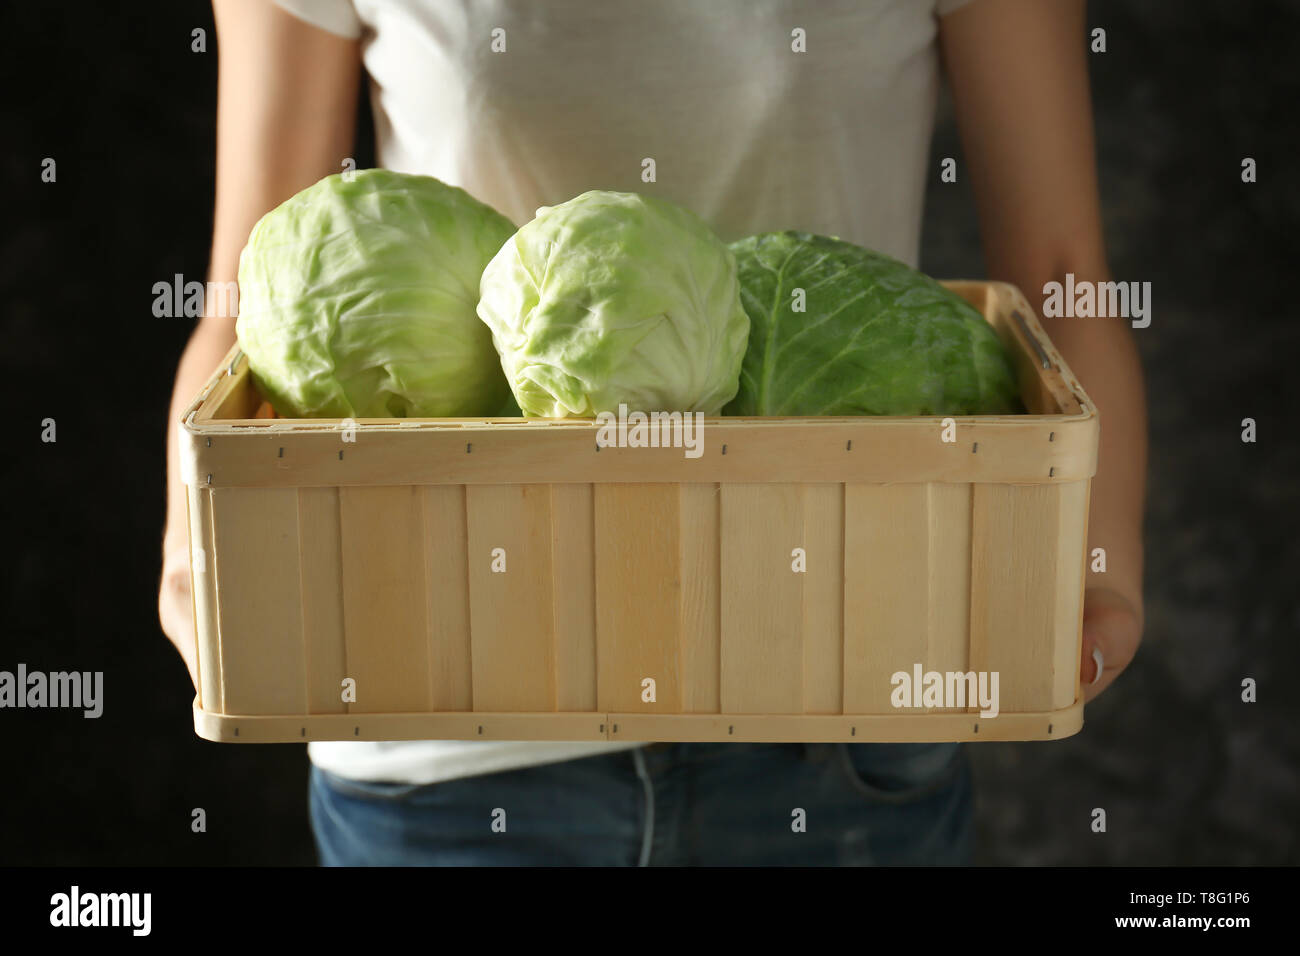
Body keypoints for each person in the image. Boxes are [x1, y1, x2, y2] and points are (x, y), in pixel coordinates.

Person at [159, 0, 1146, 866]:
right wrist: (192, 545)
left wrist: (1096, 558)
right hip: (443, 709)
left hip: (837, 687)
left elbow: (1060, 267)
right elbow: (243, 300)